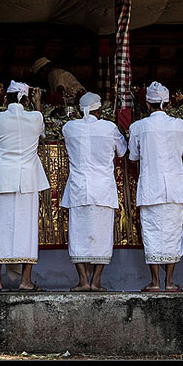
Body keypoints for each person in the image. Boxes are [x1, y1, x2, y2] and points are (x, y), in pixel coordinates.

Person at [0, 80, 49, 292]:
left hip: (4, 178)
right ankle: (25, 280)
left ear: (5, 99)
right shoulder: (36, 117)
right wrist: (38, 104)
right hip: (27, 180)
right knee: (27, 229)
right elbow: (42, 134)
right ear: (28, 99)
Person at [61, 92, 127, 291]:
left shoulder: (69, 127)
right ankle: (96, 281)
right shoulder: (109, 128)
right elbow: (122, 151)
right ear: (100, 110)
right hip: (103, 188)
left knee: (77, 233)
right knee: (103, 235)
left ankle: (82, 280)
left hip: (79, 187)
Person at [128, 81, 183, 292]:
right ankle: (170, 282)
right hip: (174, 187)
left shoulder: (138, 127)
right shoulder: (180, 124)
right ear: (169, 102)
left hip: (150, 187)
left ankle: (155, 282)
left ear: (147, 103)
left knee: (152, 233)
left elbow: (134, 156)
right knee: (173, 232)